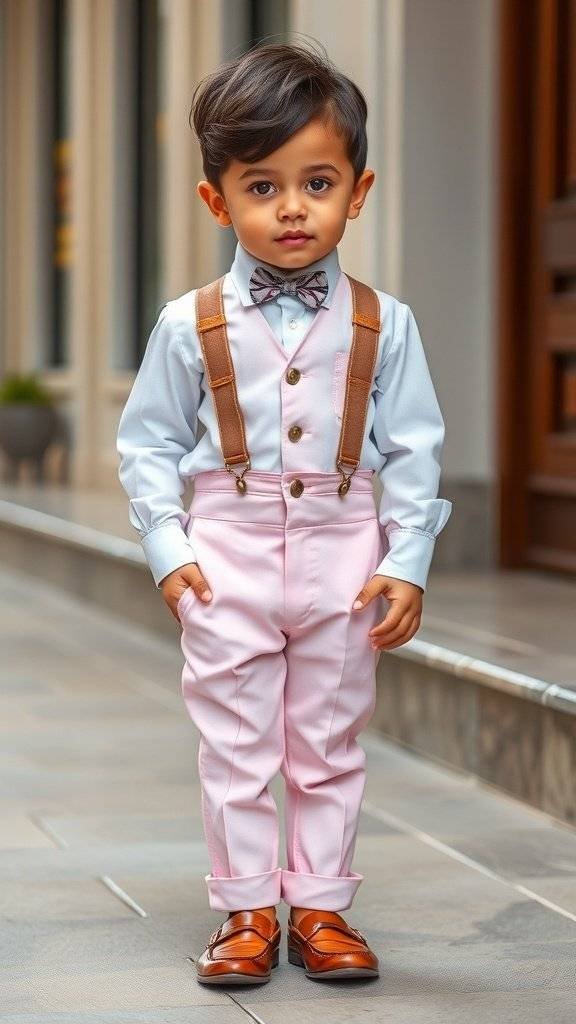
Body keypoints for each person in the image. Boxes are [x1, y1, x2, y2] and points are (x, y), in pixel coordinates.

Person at [116, 39, 452, 986]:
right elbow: (146, 441)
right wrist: (168, 548)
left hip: (347, 553)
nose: (293, 207)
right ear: (217, 201)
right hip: (227, 547)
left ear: (359, 188)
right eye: (262, 187)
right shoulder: (191, 323)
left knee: (328, 737)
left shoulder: (387, 324)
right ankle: (245, 910)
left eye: (317, 182)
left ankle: (323, 907)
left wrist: (407, 558)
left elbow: (415, 450)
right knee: (234, 736)